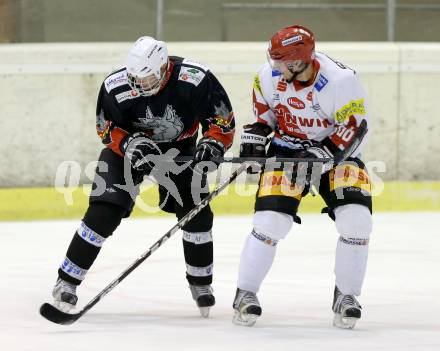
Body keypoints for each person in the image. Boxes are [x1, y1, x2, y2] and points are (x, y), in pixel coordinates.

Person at [51, 36, 235, 318]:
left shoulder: (194, 78)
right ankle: (66, 280)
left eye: (148, 79)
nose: (140, 86)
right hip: (128, 152)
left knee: (196, 213)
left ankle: (200, 284)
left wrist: (213, 143)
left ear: (164, 69)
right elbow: (104, 126)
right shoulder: (116, 85)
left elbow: (221, 121)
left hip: (179, 151)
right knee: (103, 211)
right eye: (136, 79)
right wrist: (127, 144)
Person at [233, 25, 372, 329]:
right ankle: (246, 293)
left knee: (356, 220)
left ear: (298, 62)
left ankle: (347, 296)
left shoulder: (340, 81)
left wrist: (322, 155)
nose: (275, 67)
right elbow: (265, 116)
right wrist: (255, 139)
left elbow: (355, 128)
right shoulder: (266, 76)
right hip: (286, 152)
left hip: (338, 156)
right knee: (271, 222)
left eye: (281, 61)